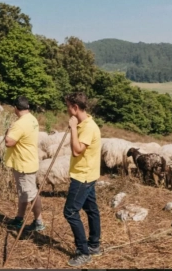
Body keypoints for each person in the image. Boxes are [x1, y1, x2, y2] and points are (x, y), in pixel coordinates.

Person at [63, 92, 102, 267]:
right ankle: (94, 245)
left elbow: (77, 150)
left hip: (83, 176)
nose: (67, 110)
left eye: (68, 107)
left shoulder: (88, 127)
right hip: (89, 173)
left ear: (75, 107)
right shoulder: (85, 123)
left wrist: (72, 128)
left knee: (70, 212)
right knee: (91, 209)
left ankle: (83, 252)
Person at [3, 95, 45, 232]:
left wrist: (7, 132)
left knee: (31, 194)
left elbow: (9, 142)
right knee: (24, 192)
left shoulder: (20, 124)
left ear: (16, 108)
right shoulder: (32, 119)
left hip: (23, 163)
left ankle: (39, 221)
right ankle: (19, 219)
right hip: (29, 161)